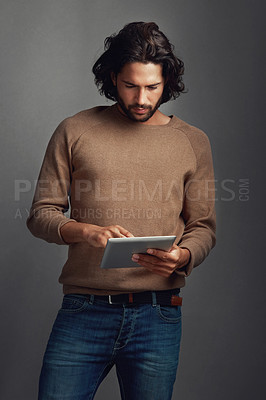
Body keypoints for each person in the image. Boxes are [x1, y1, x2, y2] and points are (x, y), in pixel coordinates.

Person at [27, 21, 216, 400]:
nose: (142, 99)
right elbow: (42, 213)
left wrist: (182, 255)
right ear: (113, 78)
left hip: (158, 314)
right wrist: (86, 232)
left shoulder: (192, 141)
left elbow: (203, 227)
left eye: (152, 87)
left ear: (167, 82)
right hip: (84, 309)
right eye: (131, 86)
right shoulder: (75, 129)